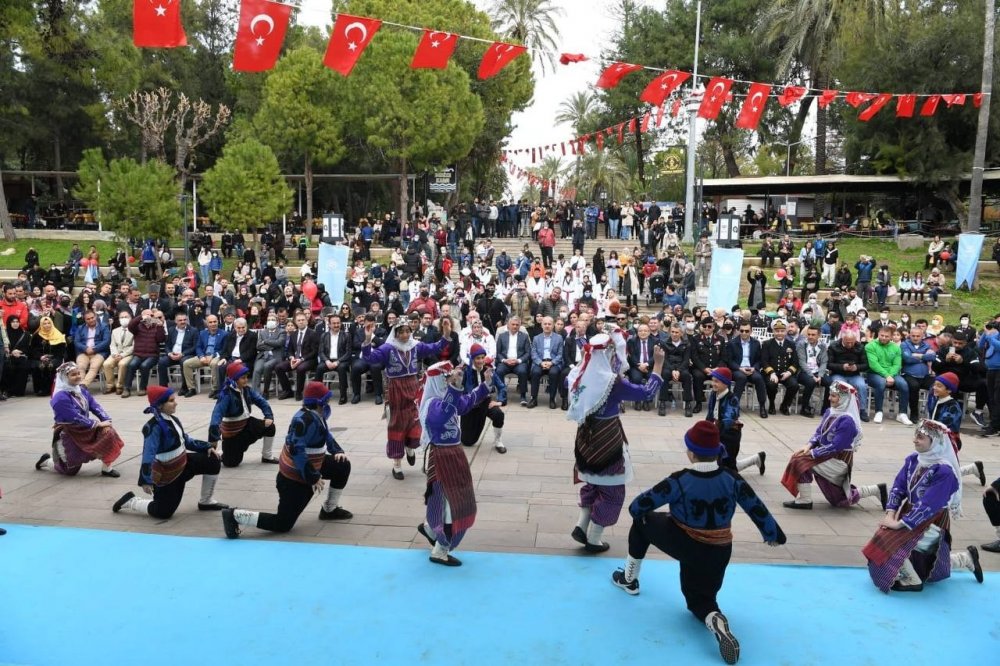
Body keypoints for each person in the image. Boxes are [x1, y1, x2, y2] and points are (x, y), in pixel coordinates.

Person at [610, 420, 786, 666]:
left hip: (686, 544)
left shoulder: (679, 481)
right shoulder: (733, 479)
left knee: (643, 522)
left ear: (690, 452)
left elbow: (637, 507)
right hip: (720, 551)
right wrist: (774, 535)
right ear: (717, 452)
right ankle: (716, 620)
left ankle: (629, 579)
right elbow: (757, 509)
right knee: (700, 602)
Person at [568, 330, 663, 553]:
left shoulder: (577, 374)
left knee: (592, 482)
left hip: (585, 437)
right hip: (607, 438)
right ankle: (594, 538)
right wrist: (658, 365)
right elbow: (647, 392)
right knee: (612, 490)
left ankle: (581, 525)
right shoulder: (613, 383)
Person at [863, 419, 983, 592]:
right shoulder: (913, 460)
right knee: (920, 560)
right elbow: (899, 486)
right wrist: (890, 514)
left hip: (931, 520)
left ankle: (913, 581)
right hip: (909, 515)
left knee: (889, 541)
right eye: (915, 436)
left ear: (935, 443)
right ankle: (966, 559)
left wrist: (899, 524)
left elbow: (929, 504)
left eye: (920, 437)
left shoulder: (944, 472)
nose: (915, 440)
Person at [222, 382, 353, 539]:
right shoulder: (304, 421)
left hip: (309, 466)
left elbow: (326, 435)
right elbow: (296, 450)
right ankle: (236, 515)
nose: (328, 403)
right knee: (283, 524)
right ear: (319, 403)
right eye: (326, 400)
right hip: (293, 479)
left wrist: (337, 451)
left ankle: (329, 509)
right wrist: (313, 477)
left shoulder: (316, 416)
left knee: (342, 465)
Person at [415, 362, 491, 566]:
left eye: (451, 377)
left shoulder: (448, 398)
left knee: (451, 499)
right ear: (439, 381)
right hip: (441, 458)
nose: (451, 380)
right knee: (450, 505)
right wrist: (455, 388)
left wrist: (485, 384)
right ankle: (440, 551)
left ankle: (430, 529)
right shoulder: (431, 404)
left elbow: (466, 403)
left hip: (455, 455)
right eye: (447, 377)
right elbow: (442, 415)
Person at [112, 385, 228, 518]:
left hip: (184, 463)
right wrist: (146, 479)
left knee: (213, 460)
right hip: (167, 473)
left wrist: (207, 446)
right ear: (160, 405)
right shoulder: (152, 427)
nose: (176, 403)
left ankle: (206, 501)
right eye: (171, 401)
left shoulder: (173, 419)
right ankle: (131, 501)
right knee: (163, 512)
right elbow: (148, 454)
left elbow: (186, 440)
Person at [362, 319, 448, 480]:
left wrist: (446, 333)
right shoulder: (388, 348)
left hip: (413, 387)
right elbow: (369, 358)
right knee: (397, 423)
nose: (405, 335)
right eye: (401, 332)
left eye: (408, 331)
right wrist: (367, 339)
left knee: (415, 420)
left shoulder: (415, 346)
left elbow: (436, 347)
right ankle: (397, 464)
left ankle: (410, 446)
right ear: (395, 333)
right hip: (396, 389)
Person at [780, 381, 887, 510]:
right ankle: (876, 490)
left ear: (844, 399)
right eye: (830, 395)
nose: (829, 398)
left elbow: (836, 447)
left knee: (800, 461)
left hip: (838, 460)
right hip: (826, 456)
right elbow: (819, 432)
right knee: (839, 501)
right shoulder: (831, 412)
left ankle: (805, 500)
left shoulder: (848, 421)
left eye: (834, 396)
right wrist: (808, 445)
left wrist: (812, 453)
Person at [35, 362, 125, 477]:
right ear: (64, 377)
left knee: (108, 432)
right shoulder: (59, 398)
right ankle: (46, 461)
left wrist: (106, 420)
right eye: (73, 375)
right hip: (68, 431)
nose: (78, 376)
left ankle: (107, 468)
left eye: (78, 373)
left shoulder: (80, 390)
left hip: (86, 427)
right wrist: (97, 424)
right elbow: (73, 416)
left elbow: (94, 405)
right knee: (69, 471)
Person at [208, 361, 277, 467]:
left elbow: (261, 401)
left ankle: (267, 456)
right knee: (231, 463)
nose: (246, 380)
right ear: (234, 379)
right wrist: (213, 438)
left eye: (246, 377)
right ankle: (224, 453)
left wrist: (269, 416)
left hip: (246, 425)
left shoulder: (247, 390)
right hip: (233, 434)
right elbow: (216, 415)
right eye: (243, 378)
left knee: (270, 427)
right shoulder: (225, 395)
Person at [705, 367, 765, 474]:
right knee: (722, 465)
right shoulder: (713, 394)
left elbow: (728, 420)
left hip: (731, 435)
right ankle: (757, 458)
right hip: (719, 431)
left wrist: (714, 434)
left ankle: (754, 461)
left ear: (725, 384)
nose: (713, 384)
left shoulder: (733, 399)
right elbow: (710, 414)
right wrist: (705, 428)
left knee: (729, 467)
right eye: (712, 380)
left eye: (716, 381)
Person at [460, 345, 507, 452]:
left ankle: (498, 441)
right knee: (467, 441)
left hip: (486, 403)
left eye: (482, 357)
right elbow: (460, 392)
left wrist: (499, 401)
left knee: (498, 414)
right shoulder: (465, 372)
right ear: (472, 358)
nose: (481, 361)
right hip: (470, 406)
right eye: (477, 358)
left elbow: (502, 387)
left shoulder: (489, 371)